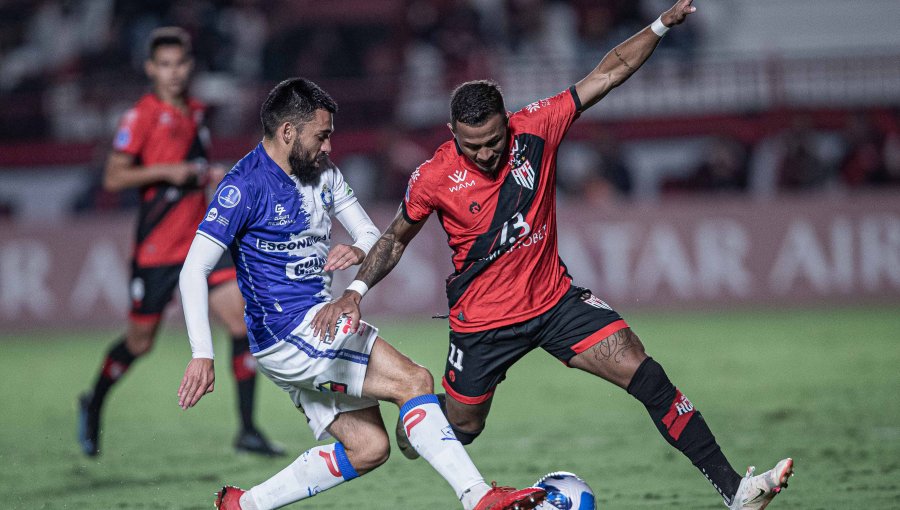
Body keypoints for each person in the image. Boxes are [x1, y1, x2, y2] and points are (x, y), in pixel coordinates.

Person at [312, 2, 794, 509]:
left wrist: (659, 25)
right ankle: (421, 425)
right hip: (483, 325)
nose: (486, 153)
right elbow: (394, 239)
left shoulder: (537, 126)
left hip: (556, 303)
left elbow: (609, 72)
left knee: (646, 373)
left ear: (506, 122)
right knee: (463, 425)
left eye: (494, 140)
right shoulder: (434, 176)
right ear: (454, 135)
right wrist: (356, 292)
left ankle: (736, 490)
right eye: (473, 146)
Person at [177, 77, 546, 510]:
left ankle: (244, 505)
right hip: (288, 331)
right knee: (414, 381)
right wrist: (202, 352)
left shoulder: (324, 174)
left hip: (313, 324)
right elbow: (193, 269)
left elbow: (373, 233)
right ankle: (477, 497)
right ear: (288, 133)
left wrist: (357, 248)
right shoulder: (244, 186)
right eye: (322, 135)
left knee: (368, 448)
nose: (329, 146)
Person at [78, 26, 282, 457]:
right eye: (164, 64)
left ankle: (247, 429)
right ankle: (94, 402)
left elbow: (192, 168)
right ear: (151, 68)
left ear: (190, 67)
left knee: (240, 319)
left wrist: (207, 174)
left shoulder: (195, 111)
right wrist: (166, 171)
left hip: (203, 240)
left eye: (180, 64)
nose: (173, 72)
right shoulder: (141, 117)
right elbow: (114, 176)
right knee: (139, 343)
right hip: (158, 248)